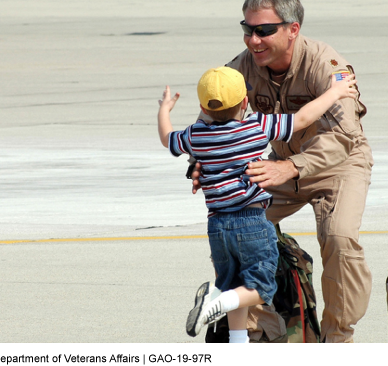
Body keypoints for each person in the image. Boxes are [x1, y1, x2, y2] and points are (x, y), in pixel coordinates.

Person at [189, 0, 374, 343]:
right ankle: (260, 333)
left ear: (293, 30)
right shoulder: (241, 69)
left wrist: (290, 167)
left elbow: (345, 136)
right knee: (234, 226)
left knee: (340, 240)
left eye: (263, 31)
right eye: (247, 29)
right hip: (278, 166)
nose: (253, 40)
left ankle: (337, 337)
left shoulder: (326, 65)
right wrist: (201, 164)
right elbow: (211, 122)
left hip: (339, 165)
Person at [157, 66, 358, 343]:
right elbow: (302, 118)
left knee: (235, 285)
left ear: (203, 106)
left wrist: (164, 111)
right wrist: (335, 92)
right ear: (244, 102)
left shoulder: (196, 135)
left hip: (217, 226)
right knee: (261, 288)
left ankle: (237, 337)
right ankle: (214, 303)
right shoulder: (256, 127)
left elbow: (167, 138)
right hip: (251, 221)